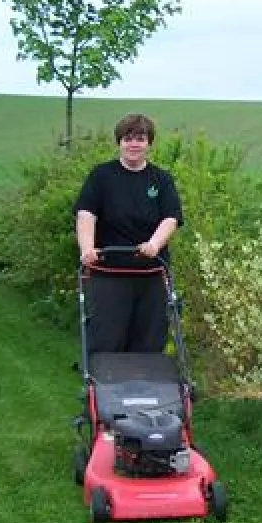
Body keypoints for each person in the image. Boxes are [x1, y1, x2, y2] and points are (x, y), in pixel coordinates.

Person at [73, 113, 184, 354]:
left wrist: (154, 244)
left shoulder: (161, 180)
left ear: (149, 143)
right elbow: (86, 214)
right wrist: (87, 249)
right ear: (119, 142)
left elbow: (171, 218)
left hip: (151, 272)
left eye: (140, 139)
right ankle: (104, 387)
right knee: (107, 337)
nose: (134, 144)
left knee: (149, 338)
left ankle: (148, 388)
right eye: (128, 138)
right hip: (109, 272)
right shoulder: (101, 176)